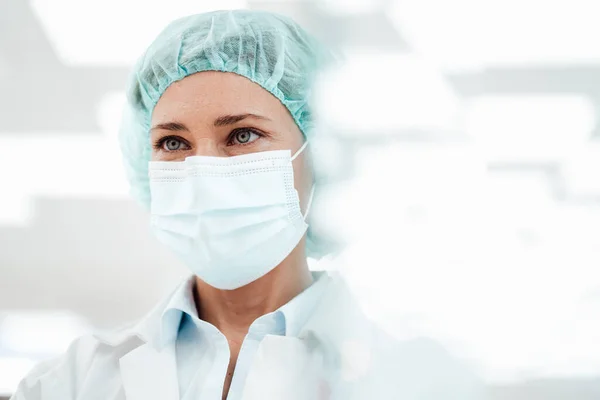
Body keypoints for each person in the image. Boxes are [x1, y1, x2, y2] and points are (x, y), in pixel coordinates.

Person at [11, 9, 485, 400]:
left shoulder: (419, 381)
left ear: (319, 153)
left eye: (242, 134)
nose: (202, 170)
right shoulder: (72, 383)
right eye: (173, 143)